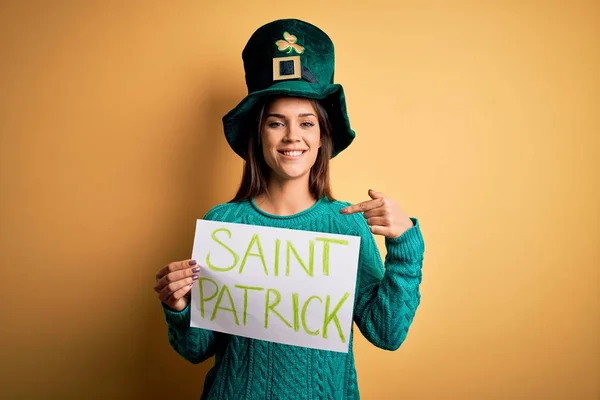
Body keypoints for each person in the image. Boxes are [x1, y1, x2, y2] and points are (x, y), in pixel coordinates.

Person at [154, 18, 425, 399]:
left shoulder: (345, 225)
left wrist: (404, 247)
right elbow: (196, 349)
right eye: (276, 123)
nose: (292, 136)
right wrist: (179, 306)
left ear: (321, 138)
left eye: (307, 123)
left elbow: (387, 333)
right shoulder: (224, 223)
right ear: (258, 135)